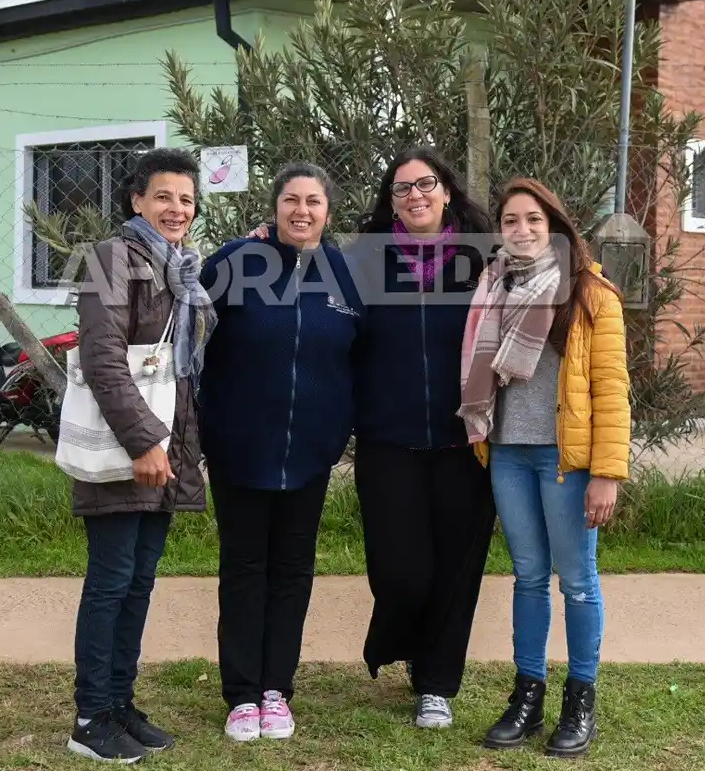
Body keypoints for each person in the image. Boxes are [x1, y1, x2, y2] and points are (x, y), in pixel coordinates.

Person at [457, 178, 629, 759]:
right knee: (528, 577)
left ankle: (581, 700)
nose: (522, 230)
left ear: (555, 226)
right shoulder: (493, 284)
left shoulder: (591, 295)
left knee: (577, 581)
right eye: (510, 221)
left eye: (533, 220)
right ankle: (526, 697)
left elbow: (611, 390)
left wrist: (607, 471)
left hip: (567, 461)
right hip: (507, 452)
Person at [197, 162, 363, 743]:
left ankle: (276, 689)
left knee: (292, 570)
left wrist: (342, 427)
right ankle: (242, 694)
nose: (302, 211)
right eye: (291, 200)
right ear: (275, 208)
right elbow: (192, 328)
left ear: (328, 211)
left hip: (311, 453)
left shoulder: (345, 273)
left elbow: (359, 354)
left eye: (313, 201)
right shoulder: (238, 263)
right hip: (240, 447)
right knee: (244, 568)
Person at [66, 147, 218, 764]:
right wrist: (145, 443)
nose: (176, 208)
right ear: (136, 201)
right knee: (111, 581)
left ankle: (117, 703)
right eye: (163, 196)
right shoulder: (111, 258)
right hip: (132, 445)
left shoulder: (180, 267)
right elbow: (103, 360)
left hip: (165, 444)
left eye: (185, 199)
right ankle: (88, 716)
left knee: (139, 580)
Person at [343, 146, 497, 729]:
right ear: (391, 203)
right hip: (388, 440)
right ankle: (397, 640)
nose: (415, 196)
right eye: (402, 189)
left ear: (447, 190)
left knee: (458, 566)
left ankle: (436, 683)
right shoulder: (365, 261)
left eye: (425, 184)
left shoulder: (485, 259)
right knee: (401, 570)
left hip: (467, 442)